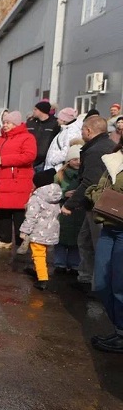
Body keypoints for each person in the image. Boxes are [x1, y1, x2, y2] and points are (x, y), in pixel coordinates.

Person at [60, 115, 118, 291]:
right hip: (98, 204)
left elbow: (89, 182)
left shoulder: (95, 151)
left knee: (97, 244)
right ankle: (86, 276)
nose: (82, 132)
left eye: (83, 130)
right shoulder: (108, 145)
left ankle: (97, 285)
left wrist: (70, 204)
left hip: (99, 206)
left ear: (89, 131)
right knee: (84, 240)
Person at [85, 134, 123, 352]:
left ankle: (121, 333)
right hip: (109, 225)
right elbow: (99, 186)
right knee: (101, 282)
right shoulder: (114, 158)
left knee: (120, 286)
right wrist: (95, 194)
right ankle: (119, 329)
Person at [0, 111, 37, 249]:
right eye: (4, 122)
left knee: (18, 212)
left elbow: (29, 156)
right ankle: (4, 239)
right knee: (2, 211)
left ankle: (21, 241)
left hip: (17, 180)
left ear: (16, 124)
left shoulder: (27, 138)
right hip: (0, 180)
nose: (5, 125)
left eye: (8, 123)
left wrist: (3, 160)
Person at [20, 171, 63, 291]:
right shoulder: (56, 196)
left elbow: (31, 216)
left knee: (38, 254)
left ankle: (42, 278)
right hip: (51, 231)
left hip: (38, 231)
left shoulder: (36, 198)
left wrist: (24, 231)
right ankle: (38, 270)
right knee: (43, 253)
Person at [54, 144, 84, 274]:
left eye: (79, 159)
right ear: (68, 160)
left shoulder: (85, 175)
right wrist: (63, 194)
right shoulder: (59, 175)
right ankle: (59, 263)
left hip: (78, 212)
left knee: (76, 239)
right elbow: (52, 192)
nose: (77, 162)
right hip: (62, 210)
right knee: (60, 238)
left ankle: (74, 264)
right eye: (74, 159)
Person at [27, 100, 60, 172]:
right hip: (31, 159)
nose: (33, 111)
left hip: (44, 160)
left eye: (36, 109)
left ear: (42, 111)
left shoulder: (54, 123)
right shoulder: (31, 122)